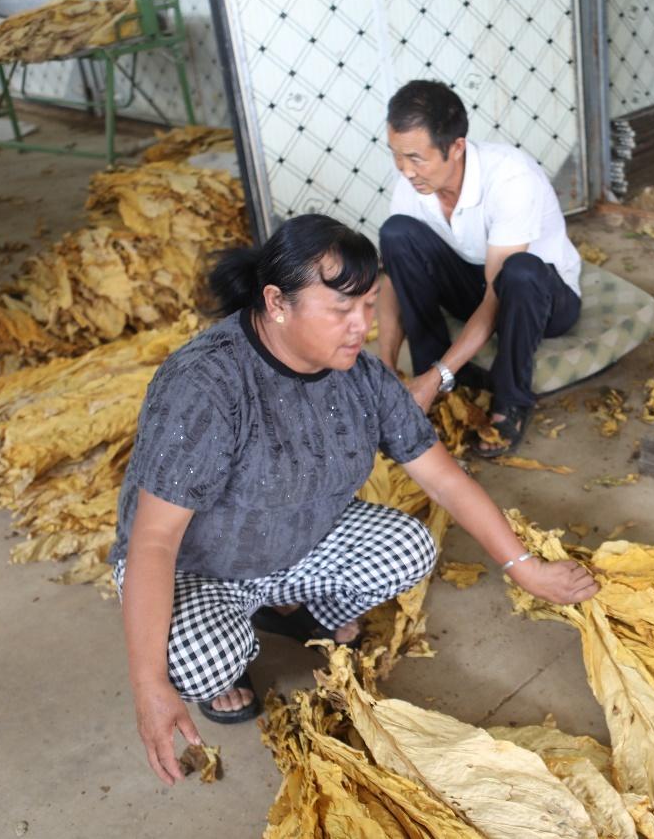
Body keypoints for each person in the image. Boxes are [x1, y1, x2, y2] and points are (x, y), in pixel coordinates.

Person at [112, 214, 597, 786]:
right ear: (276, 303)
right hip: (200, 566)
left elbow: (441, 478)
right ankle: (227, 666)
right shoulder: (207, 386)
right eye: (341, 310)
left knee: (407, 548)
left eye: (369, 305)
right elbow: (155, 538)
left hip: (296, 540)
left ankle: (294, 611)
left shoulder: (360, 376)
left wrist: (526, 568)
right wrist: (148, 687)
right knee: (200, 662)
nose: (361, 327)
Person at [376, 79, 583, 455]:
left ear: (455, 148)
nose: (405, 170)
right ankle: (434, 372)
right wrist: (386, 366)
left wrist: (440, 374)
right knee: (396, 234)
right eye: (396, 155)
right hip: (477, 280)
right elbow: (392, 276)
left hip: (542, 297)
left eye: (416, 158)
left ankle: (512, 399)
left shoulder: (510, 177)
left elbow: (496, 294)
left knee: (519, 271)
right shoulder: (412, 181)